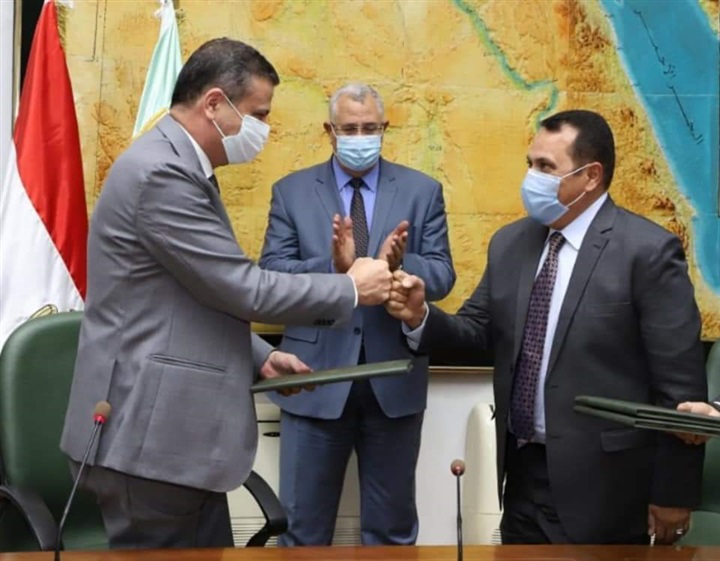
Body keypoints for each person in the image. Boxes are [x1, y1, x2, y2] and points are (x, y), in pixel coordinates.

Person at [60, 39, 393, 550]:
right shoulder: (162, 173)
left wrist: (259, 356)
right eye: (258, 115)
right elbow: (244, 288)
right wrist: (351, 286)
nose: (264, 130)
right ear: (214, 103)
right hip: (149, 442)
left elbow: (189, 297)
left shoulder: (181, 165)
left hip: (175, 446)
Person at [386, 109, 708, 545]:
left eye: (545, 167)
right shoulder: (511, 243)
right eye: (530, 164)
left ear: (590, 176)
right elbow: (476, 333)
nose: (531, 178)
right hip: (522, 474)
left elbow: (680, 385)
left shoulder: (647, 252)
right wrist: (419, 316)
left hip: (608, 485)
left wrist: (674, 492)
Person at [258, 83, 455, 546]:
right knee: (301, 531)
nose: (361, 137)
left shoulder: (422, 191)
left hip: (394, 383)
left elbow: (443, 273)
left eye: (370, 128)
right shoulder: (291, 192)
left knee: (392, 533)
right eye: (350, 129)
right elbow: (272, 275)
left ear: (385, 128)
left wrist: (395, 266)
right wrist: (336, 270)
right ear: (329, 131)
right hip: (314, 378)